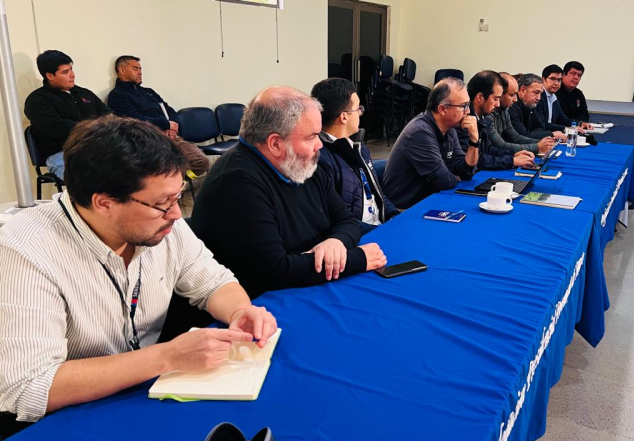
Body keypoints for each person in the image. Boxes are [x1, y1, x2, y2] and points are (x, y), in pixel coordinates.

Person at [0, 116, 277, 428]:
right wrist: (167, 356)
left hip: (139, 392)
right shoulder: (24, 251)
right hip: (67, 419)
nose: (176, 214)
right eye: (162, 203)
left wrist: (240, 310)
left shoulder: (161, 225)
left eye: (178, 196)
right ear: (104, 203)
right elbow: (28, 388)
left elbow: (214, 282)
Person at [190, 87, 387, 298]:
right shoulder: (237, 183)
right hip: (262, 302)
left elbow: (347, 221)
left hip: (307, 287)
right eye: (312, 137)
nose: (319, 145)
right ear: (275, 144)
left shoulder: (300, 164)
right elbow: (274, 272)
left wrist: (335, 243)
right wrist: (356, 259)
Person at [311, 77, 399, 234]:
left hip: (380, 227)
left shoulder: (359, 147)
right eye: (358, 109)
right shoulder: (321, 159)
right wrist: (381, 231)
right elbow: (335, 219)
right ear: (344, 117)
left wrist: (395, 216)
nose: (360, 113)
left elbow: (377, 193)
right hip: (359, 236)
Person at [382, 78, 480, 209]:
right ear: (442, 109)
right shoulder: (419, 133)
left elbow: (466, 172)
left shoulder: (449, 130)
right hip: (404, 210)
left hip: (431, 200)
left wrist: (474, 141)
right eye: (463, 106)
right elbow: (444, 181)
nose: (468, 111)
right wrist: (454, 177)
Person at [107, 55, 210, 176]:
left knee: (201, 162)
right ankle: (172, 183)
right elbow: (134, 120)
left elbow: (169, 110)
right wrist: (165, 125)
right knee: (170, 167)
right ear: (122, 70)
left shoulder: (148, 92)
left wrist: (172, 126)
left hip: (171, 137)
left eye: (140, 69)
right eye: (135, 68)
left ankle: (181, 180)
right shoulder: (117, 95)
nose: (140, 72)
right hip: (148, 141)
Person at [24, 50, 110, 180]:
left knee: (132, 172)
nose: (72, 75)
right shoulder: (37, 100)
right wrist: (94, 128)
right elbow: (57, 127)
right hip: (62, 153)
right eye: (65, 72)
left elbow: (108, 115)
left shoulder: (84, 93)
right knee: (89, 181)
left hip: (96, 149)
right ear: (50, 76)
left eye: (71, 69)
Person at [456, 70, 535, 170]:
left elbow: (488, 149)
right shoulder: (464, 121)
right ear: (480, 97)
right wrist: (511, 161)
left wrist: (513, 154)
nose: (498, 104)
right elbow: (476, 160)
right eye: (495, 99)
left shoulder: (484, 117)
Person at [487, 72, 557, 157]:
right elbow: (501, 145)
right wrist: (537, 146)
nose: (515, 99)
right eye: (512, 95)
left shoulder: (505, 111)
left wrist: (544, 143)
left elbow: (515, 137)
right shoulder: (489, 114)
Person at [508, 73, 566, 142]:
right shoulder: (511, 107)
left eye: (540, 93)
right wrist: (551, 134)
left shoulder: (530, 105)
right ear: (523, 90)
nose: (539, 98)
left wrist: (533, 134)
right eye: (536, 92)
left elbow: (541, 126)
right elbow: (523, 136)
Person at [536, 65, 591, 133]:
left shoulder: (553, 97)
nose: (556, 83)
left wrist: (580, 123)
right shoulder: (538, 96)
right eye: (552, 79)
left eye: (559, 80)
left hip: (551, 134)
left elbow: (562, 119)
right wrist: (566, 129)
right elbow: (542, 124)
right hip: (539, 136)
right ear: (543, 79)